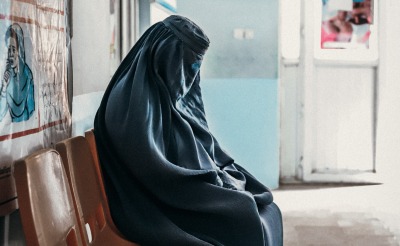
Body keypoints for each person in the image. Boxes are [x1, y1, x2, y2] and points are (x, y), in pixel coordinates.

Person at [94, 15, 283, 246]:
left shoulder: (163, 93)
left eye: (196, 68)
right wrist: (213, 180)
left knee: (264, 204)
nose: (190, 77)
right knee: (243, 213)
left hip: (176, 193)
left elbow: (203, 146)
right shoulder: (132, 104)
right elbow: (155, 172)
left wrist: (219, 175)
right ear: (165, 57)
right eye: (187, 66)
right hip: (154, 205)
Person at [0, 23, 35, 123]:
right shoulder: (7, 75)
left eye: (13, 49)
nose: (10, 54)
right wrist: (3, 89)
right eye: (8, 50)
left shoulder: (28, 75)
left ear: (19, 51)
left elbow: (31, 112)